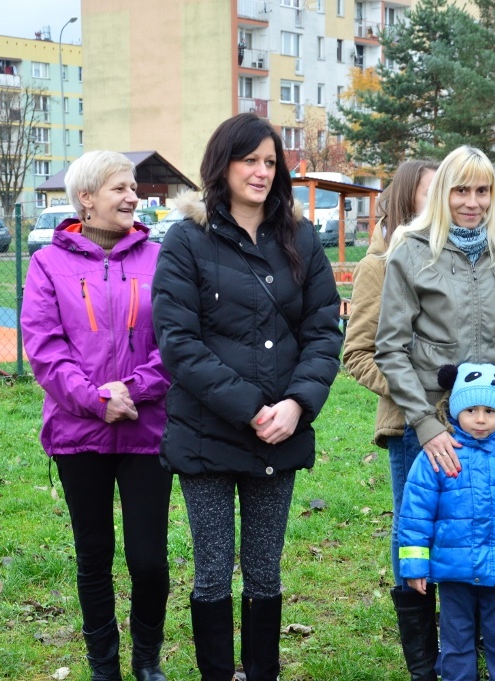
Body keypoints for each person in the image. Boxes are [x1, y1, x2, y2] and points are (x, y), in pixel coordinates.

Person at [151, 112, 342, 681]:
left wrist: (297, 405)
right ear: (223, 164)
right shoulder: (187, 240)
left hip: (279, 432)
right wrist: (250, 407)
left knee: (264, 572)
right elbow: (178, 342)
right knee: (212, 573)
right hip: (208, 434)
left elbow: (323, 330)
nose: (261, 172)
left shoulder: (300, 238)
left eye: (270, 162)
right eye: (249, 160)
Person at [374, 145, 495, 679]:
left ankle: (488, 640)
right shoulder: (411, 253)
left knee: (485, 527)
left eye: (483, 190)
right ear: (443, 193)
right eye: (461, 190)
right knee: (420, 529)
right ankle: (429, 663)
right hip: (429, 424)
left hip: (490, 427)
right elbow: (390, 348)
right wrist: (425, 426)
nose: (472, 202)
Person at [21, 150, 172, 681]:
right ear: (86, 198)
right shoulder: (47, 264)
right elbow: (45, 349)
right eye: (120, 188)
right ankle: (104, 666)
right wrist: (96, 400)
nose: (134, 197)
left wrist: (134, 389)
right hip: (78, 431)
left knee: (148, 559)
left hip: (147, 431)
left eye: (133, 188)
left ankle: (147, 659)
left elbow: (175, 341)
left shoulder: (160, 259)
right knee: (94, 555)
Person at [341, 158, 441, 673]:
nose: (446, 200)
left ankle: (476, 634)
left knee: (473, 523)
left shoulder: (460, 261)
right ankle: (423, 655)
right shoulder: (379, 266)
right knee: (414, 531)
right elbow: (357, 353)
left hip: (473, 423)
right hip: (410, 427)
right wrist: (415, 395)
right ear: (406, 200)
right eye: (432, 191)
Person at [400, 362, 495, 681]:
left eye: (490, 411)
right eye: (471, 410)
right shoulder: (437, 455)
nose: (480, 419)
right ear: (456, 409)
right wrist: (414, 566)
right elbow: (415, 515)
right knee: (456, 641)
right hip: (454, 572)